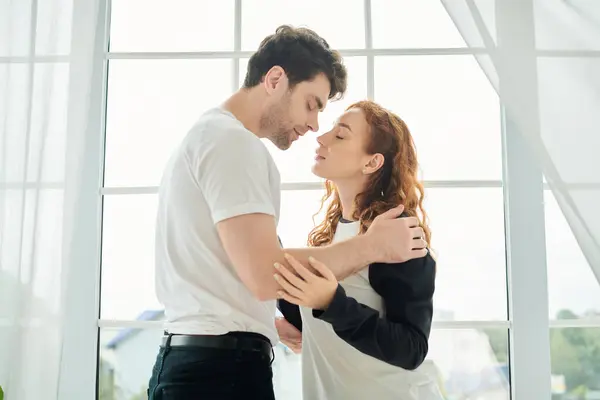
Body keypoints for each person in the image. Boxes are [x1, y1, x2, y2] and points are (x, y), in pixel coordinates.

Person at [147, 26, 429, 400]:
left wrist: (272, 323)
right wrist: (372, 247)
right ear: (275, 79)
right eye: (312, 104)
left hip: (204, 365)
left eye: (335, 129)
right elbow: (267, 273)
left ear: (373, 162)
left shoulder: (211, 137)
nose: (315, 128)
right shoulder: (232, 143)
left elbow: (237, 270)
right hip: (217, 373)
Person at [275, 100, 444, 400]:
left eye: (340, 135)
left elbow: (411, 348)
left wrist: (332, 302)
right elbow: (317, 321)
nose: (322, 138)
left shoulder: (397, 234)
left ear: (372, 162)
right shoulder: (330, 237)